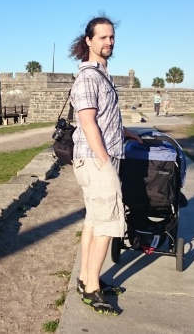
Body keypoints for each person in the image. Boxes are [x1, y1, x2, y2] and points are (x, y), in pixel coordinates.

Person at [68, 16, 142, 316]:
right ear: (89, 41)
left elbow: (103, 118)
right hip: (97, 160)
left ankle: (87, 278)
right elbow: (87, 123)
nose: (109, 42)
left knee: (94, 220)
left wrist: (125, 131)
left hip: (100, 157)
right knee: (108, 222)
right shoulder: (88, 77)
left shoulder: (101, 75)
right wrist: (105, 164)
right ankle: (91, 291)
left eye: (111, 37)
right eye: (102, 38)